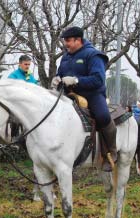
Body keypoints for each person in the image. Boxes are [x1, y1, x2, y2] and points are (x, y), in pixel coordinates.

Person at [52, 26, 115, 171]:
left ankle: (110, 152)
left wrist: (76, 80)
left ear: (78, 40)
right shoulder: (66, 56)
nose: (65, 44)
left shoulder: (93, 55)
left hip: (92, 95)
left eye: (68, 40)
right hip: (69, 94)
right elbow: (61, 73)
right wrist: (57, 79)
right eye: (64, 41)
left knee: (103, 116)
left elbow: (98, 79)